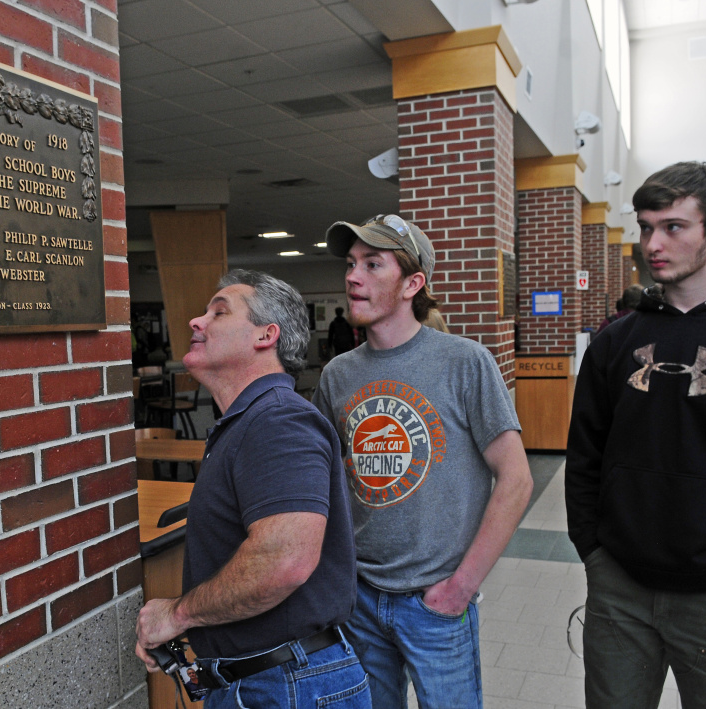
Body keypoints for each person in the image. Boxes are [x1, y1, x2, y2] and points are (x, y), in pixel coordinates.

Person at [566, 161, 706, 708]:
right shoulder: (616, 343)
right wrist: (593, 550)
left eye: (673, 226)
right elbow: (585, 456)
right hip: (620, 587)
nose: (652, 243)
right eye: (646, 227)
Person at [314, 214, 533, 709]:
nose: (353, 276)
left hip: (436, 602)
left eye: (373, 264)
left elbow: (515, 479)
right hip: (361, 598)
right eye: (351, 264)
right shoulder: (336, 376)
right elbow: (329, 482)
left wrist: (462, 586)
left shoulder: (465, 361)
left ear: (413, 283)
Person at [135, 269, 370, 709]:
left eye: (219, 312)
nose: (196, 322)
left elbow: (284, 561)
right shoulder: (252, 421)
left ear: (267, 335)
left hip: (287, 685)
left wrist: (178, 613)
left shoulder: (278, 421)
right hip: (263, 679)